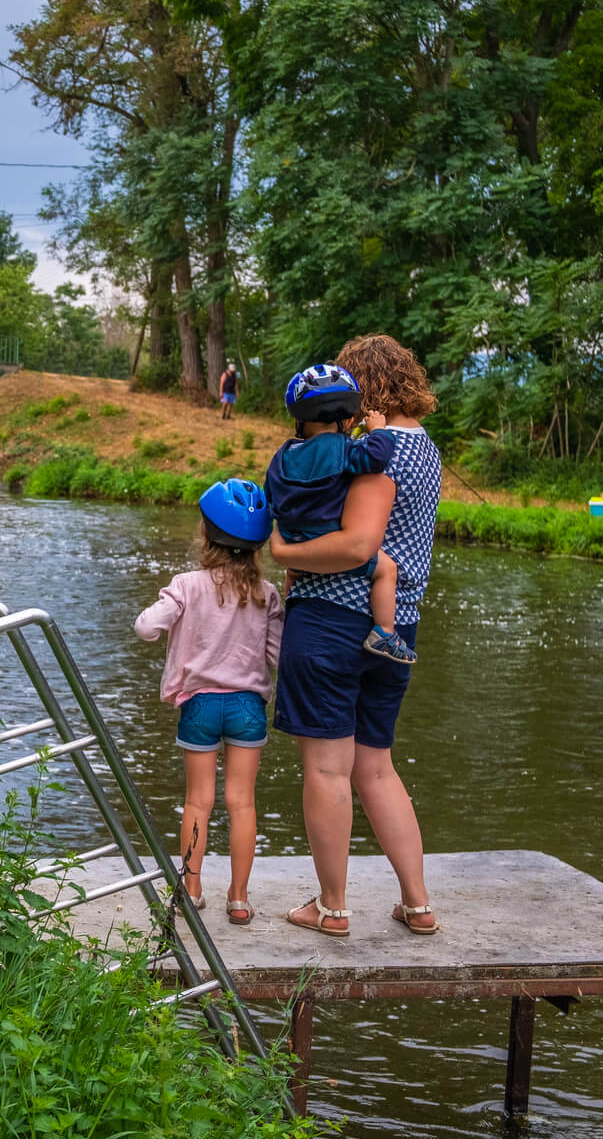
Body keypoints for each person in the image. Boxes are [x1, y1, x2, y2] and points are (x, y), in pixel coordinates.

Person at [269, 334, 442, 940]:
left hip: (332, 621)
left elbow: (355, 544)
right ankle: (417, 903)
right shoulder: (426, 448)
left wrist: (284, 549)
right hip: (396, 624)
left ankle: (333, 907)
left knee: (327, 769)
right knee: (377, 767)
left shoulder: (371, 450)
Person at [134, 478, 282, 926]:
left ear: (207, 534)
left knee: (198, 801)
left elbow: (144, 628)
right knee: (243, 802)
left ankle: (192, 890)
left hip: (198, 706)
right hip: (247, 708)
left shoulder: (185, 586)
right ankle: (238, 899)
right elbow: (278, 655)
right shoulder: (267, 594)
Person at [265, 363, 414, 665]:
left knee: (294, 570)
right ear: (347, 419)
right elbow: (376, 456)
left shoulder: (283, 454)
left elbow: (270, 495)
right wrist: (378, 430)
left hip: (293, 539)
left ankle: (290, 616)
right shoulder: (343, 449)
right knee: (386, 569)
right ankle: (385, 632)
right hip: (328, 539)